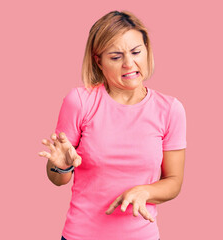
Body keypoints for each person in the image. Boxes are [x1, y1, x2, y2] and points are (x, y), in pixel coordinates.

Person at [38, 10, 186, 240]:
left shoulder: (170, 109)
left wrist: (144, 191)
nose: (129, 64)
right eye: (116, 57)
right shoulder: (79, 102)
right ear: (98, 60)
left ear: (147, 50)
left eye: (136, 52)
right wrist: (62, 167)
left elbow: (174, 182)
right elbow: (58, 179)